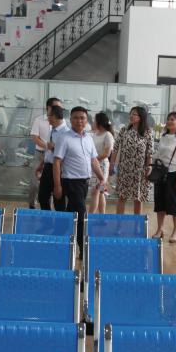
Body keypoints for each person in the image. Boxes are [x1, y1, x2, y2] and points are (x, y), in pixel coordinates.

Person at [54, 106, 107, 250]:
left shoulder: (89, 138)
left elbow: (94, 160)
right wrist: (57, 186)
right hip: (70, 182)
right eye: (76, 118)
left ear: (87, 120)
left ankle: (58, 237)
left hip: (84, 183)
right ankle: (83, 249)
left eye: (82, 118)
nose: (79, 121)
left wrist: (102, 178)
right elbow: (57, 162)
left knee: (72, 213)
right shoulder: (64, 138)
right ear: (70, 120)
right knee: (82, 215)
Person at [153, 112, 176, 242]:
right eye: (168, 119)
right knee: (159, 203)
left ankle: (175, 231)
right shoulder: (164, 136)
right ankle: (159, 230)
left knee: (174, 203)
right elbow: (158, 154)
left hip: (174, 173)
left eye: (172, 119)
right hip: (160, 173)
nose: (169, 121)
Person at [112, 106, 153, 215]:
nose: (131, 116)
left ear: (141, 117)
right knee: (122, 196)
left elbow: (150, 152)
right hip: (125, 170)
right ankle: (119, 223)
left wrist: (149, 167)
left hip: (140, 171)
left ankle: (137, 223)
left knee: (138, 198)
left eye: (134, 114)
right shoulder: (124, 130)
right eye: (131, 113)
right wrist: (112, 164)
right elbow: (115, 148)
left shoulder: (147, 132)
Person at [28, 97, 63, 208]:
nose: (59, 109)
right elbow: (34, 137)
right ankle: (32, 205)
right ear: (48, 107)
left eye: (60, 107)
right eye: (56, 106)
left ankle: (50, 210)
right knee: (34, 182)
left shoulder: (63, 123)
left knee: (52, 185)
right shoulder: (39, 120)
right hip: (41, 154)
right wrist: (47, 146)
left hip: (56, 158)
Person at [36, 104, 69, 211]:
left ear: (54, 116)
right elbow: (48, 151)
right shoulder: (53, 130)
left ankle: (60, 221)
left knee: (58, 198)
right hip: (47, 167)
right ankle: (47, 219)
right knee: (42, 197)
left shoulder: (66, 133)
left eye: (49, 115)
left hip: (59, 169)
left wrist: (55, 148)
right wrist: (41, 165)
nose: (47, 118)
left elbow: (67, 155)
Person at [89, 112, 115, 213]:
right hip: (94, 165)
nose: (93, 122)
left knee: (95, 191)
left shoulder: (108, 135)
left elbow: (107, 153)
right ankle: (102, 216)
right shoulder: (95, 134)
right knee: (100, 192)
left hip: (102, 166)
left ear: (99, 122)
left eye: (95, 120)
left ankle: (90, 216)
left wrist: (93, 159)